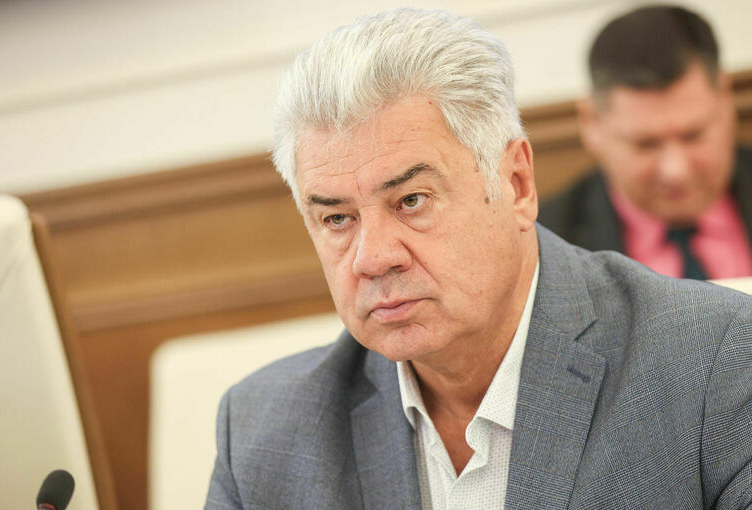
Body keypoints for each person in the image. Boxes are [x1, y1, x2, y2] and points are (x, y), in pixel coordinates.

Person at [205, 8, 752, 509]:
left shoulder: (714, 363)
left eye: (411, 201)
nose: (372, 259)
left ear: (516, 183)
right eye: (337, 219)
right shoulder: (260, 434)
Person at [538, 5, 752, 280]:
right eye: (646, 144)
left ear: (725, 98)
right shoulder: (546, 247)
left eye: (693, 136)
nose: (676, 171)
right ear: (592, 122)